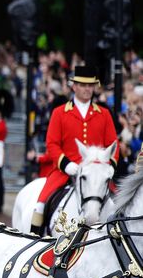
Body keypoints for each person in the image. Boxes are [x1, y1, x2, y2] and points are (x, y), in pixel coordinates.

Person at [31, 65, 117, 234]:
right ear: (74, 86)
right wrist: (66, 164)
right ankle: (35, 239)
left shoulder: (104, 114)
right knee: (40, 205)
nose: (87, 89)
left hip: (96, 173)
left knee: (118, 207)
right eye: (83, 85)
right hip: (65, 171)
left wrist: (111, 166)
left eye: (90, 85)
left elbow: (113, 144)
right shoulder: (59, 113)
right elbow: (52, 144)